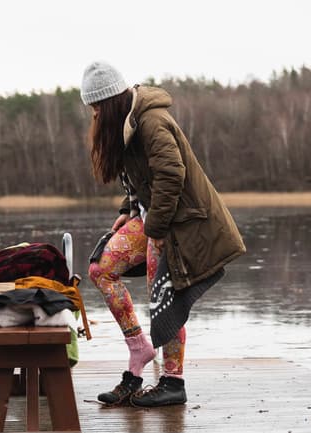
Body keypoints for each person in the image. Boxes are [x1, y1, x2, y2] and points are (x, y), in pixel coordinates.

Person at [82, 61, 246, 407]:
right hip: (152, 217)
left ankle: (173, 382)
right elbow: (137, 178)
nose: (95, 115)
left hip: (178, 222)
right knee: (101, 269)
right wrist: (127, 212)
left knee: (166, 301)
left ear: (111, 101)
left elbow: (172, 176)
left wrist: (155, 230)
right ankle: (139, 349)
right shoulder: (125, 125)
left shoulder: (152, 122)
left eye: (97, 107)